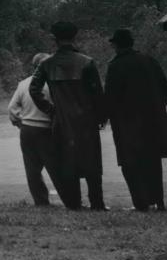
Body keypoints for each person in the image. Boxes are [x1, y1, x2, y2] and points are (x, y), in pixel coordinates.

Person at [29, 21, 109, 211]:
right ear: (74, 37)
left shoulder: (46, 64)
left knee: (67, 162)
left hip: (62, 121)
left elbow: (34, 89)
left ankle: (74, 203)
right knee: (92, 164)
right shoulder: (86, 62)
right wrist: (101, 116)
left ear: (54, 39)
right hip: (87, 120)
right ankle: (97, 203)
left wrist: (51, 109)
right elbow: (97, 93)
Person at [103, 28, 167, 212]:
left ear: (116, 44)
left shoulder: (116, 65)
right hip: (152, 120)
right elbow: (165, 86)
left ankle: (141, 203)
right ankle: (158, 201)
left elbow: (110, 96)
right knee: (152, 161)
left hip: (127, 123)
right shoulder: (148, 60)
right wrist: (159, 106)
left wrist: (106, 116)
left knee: (130, 163)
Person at [8, 53, 74, 208]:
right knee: (56, 167)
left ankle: (41, 202)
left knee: (32, 169)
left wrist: (19, 122)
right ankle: (70, 201)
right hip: (47, 129)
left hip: (27, 130)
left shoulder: (23, 83)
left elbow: (12, 108)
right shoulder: (54, 83)